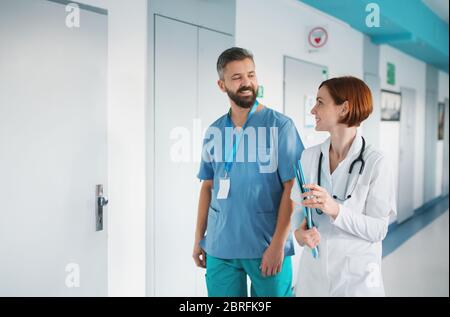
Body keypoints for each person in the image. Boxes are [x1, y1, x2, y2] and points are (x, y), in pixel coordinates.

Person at [193, 47, 304, 297]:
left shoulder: (280, 126)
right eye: (237, 77)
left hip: (266, 244)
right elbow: (207, 186)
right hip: (220, 246)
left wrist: (278, 245)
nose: (247, 83)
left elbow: (293, 187)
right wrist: (199, 239)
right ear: (222, 85)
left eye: (251, 75)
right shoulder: (214, 131)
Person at [291, 76, 396, 297]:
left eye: (320, 102)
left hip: (357, 279)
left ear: (344, 108)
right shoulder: (309, 157)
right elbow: (298, 213)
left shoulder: (376, 162)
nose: (313, 109)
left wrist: (335, 209)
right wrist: (299, 234)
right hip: (313, 278)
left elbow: (378, 230)